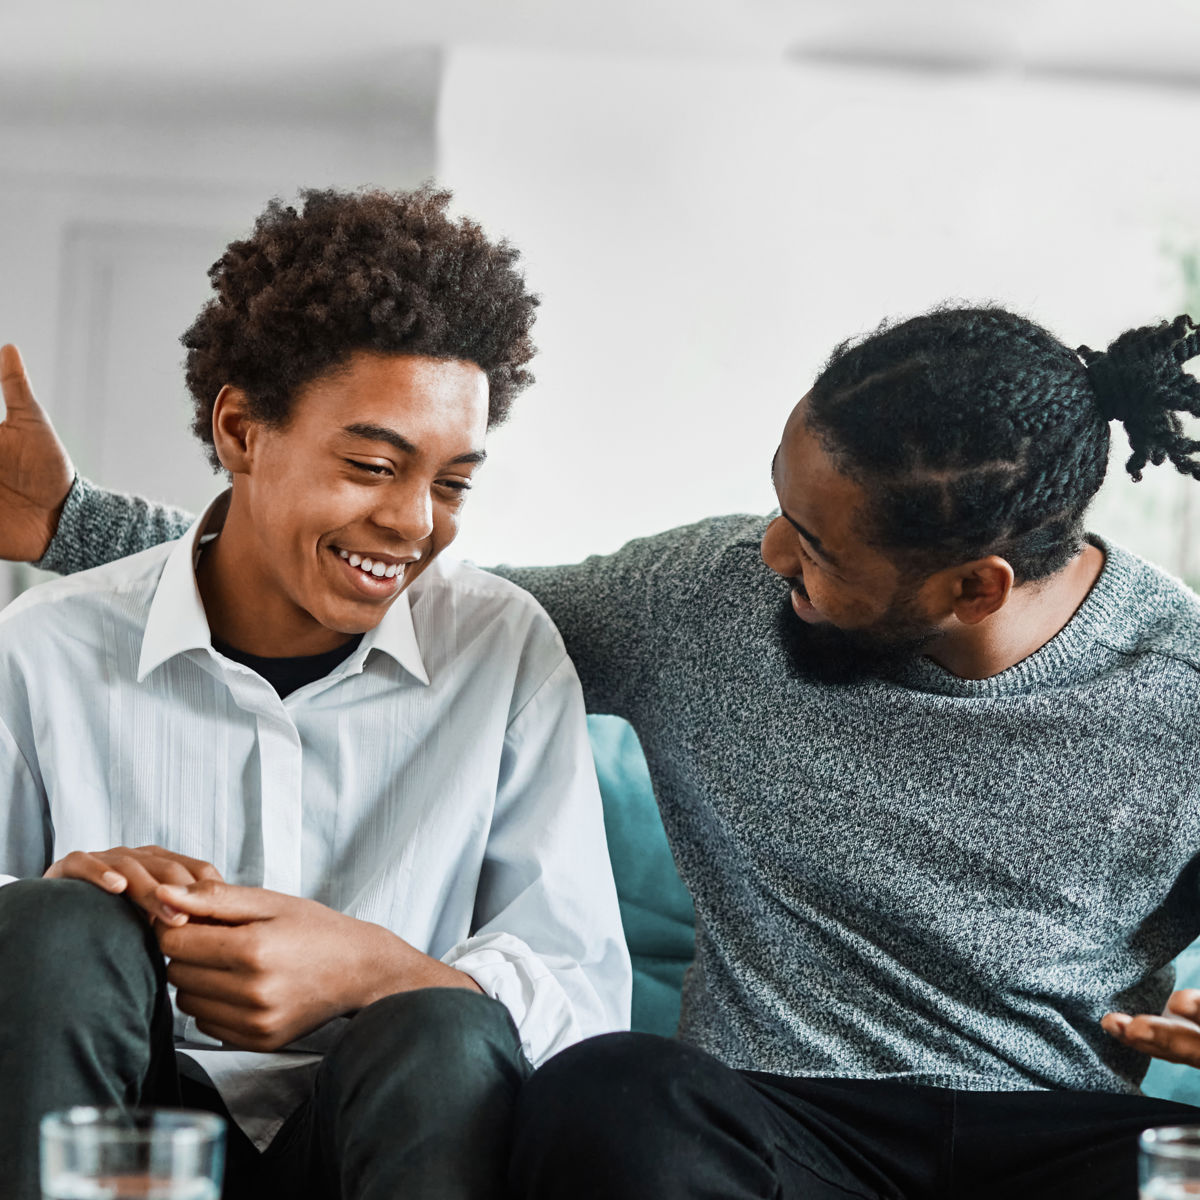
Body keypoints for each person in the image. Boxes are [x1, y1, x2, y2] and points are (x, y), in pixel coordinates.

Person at [2, 304, 1199, 1198]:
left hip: (1056, 1137)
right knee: (612, 1089)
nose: (770, 557)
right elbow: (406, 588)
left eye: (818, 549)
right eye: (780, 506)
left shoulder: (1181, 694)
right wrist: (72, 523)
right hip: (764, 1127)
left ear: (972, 585)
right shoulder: (710, 600)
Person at [0, 186, 630, 1200]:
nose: (414, 521)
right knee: (54, 928)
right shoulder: (45, 648)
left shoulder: (503, 648)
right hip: (122, 1148)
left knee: (442, 1025)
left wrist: (370, 967)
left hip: (385, 1137)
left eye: (453, 482)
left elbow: (584, 1002)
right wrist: (65, 909)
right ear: (244, 431)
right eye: (374, 465)